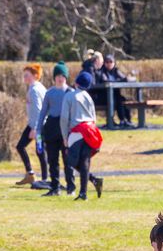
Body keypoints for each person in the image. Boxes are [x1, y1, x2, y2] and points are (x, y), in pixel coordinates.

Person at [60, 71, 104, 201]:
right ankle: (84, 191)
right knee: (84, 162)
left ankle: (91, 182)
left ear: (77, 82)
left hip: (77, 131)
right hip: (90, 131)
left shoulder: (70, 96)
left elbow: (64, 118)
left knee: (70, 162)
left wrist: (64, 136)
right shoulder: (88, 97)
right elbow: (94, 117)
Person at [35, 61, 76, 196]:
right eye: (57, 75)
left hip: (66, 128)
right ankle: (54, 187)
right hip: (52, 127)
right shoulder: (50, 93)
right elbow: (43, 113)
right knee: (53, 159)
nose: (60, 78)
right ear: (54, 77)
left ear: (66, 77)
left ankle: (71, 187)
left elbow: (74, 113)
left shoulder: (71, 92)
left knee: (68, 159)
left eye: (62, 75)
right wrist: (38, 130)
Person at [15, 64, 48, 186]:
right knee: (20, 146)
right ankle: (30, 174)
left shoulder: (35, 90)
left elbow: (39, 110)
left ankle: (45, 179)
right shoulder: (36, 87)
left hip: (38, 126)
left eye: (27, 75)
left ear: (35, 76)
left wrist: (35, 129)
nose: (24, 78)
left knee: (40, 151)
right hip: (33, 124)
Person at [97, 54, 133, 127]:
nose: (109, 64)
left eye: (111, 62)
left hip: (116, 94)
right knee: (116, 101)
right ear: (104, 63)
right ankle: (118, 121)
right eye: (107, 62)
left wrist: (126, 79)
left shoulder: (116, 70)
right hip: (104, 96)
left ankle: (127, 120)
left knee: (124, 100)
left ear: (114, 63)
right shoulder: (102, 71)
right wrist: (120, 81)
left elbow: (124, 79)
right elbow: (106, 81)